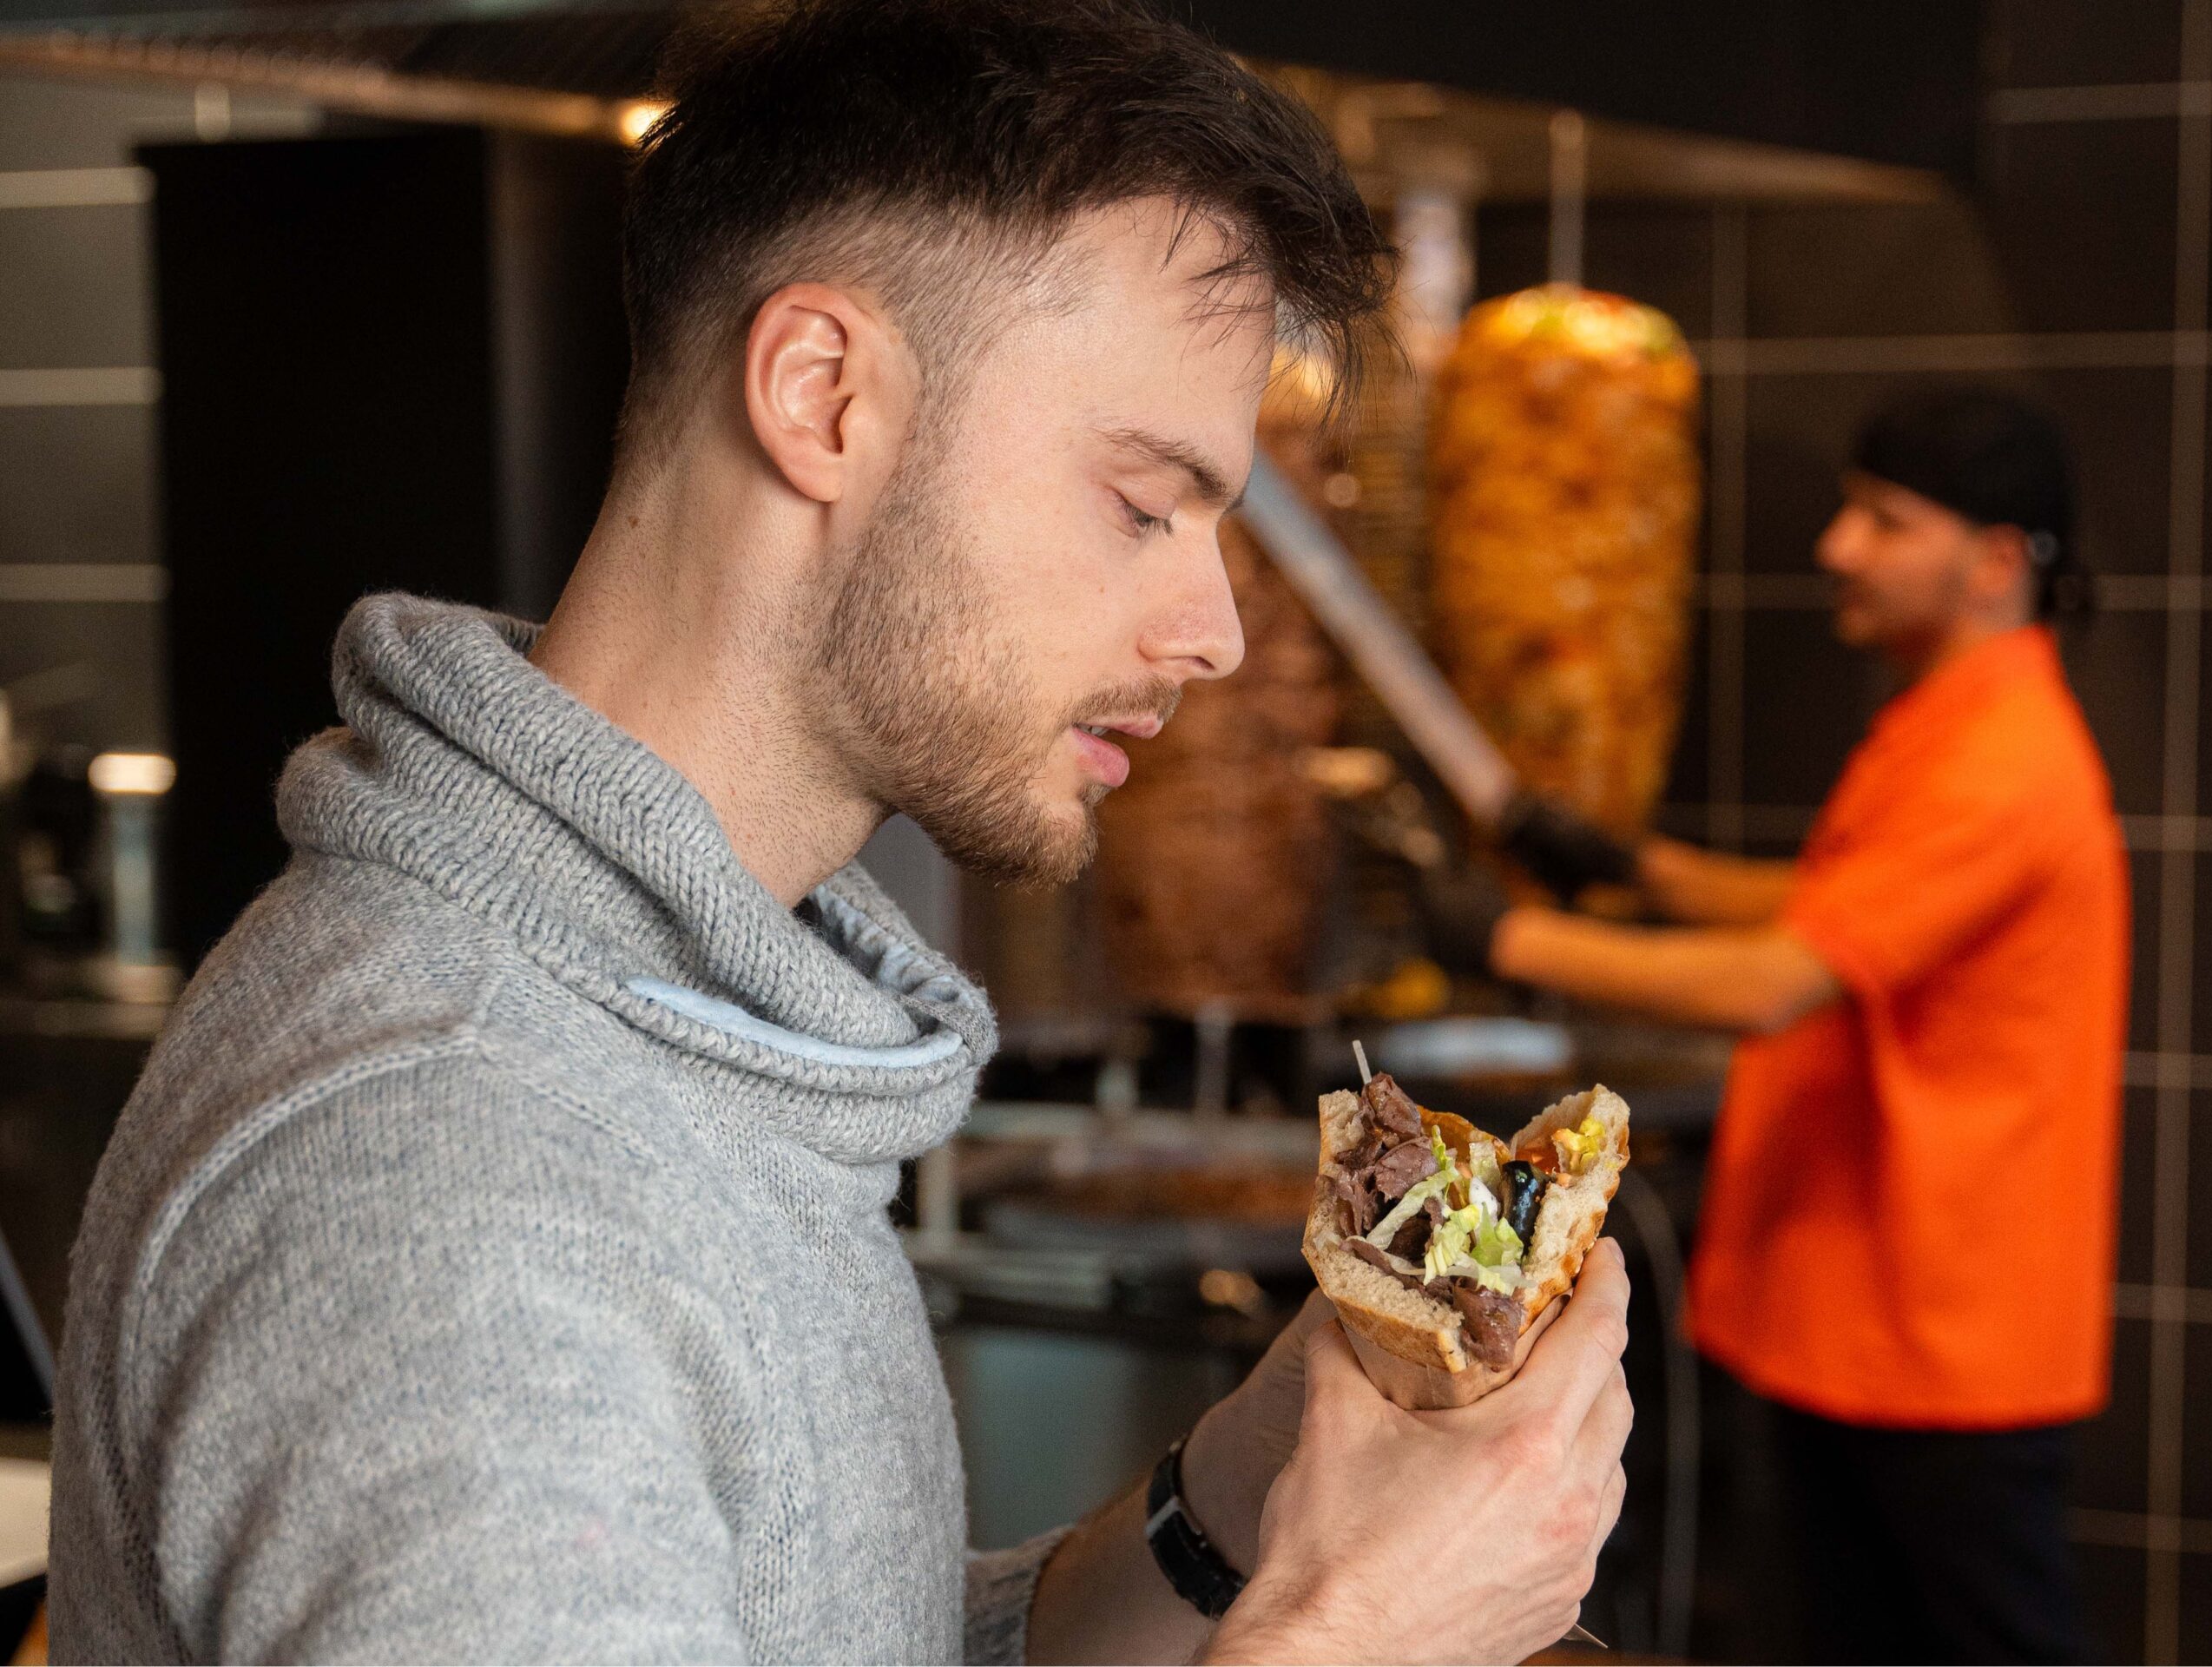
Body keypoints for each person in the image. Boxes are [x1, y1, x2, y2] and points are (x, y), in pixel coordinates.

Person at [44, 3, 1633, 1662]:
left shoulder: (675, 1035)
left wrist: (1228, 1520)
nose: (1215, 629)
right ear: (821, 396)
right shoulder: (450, 1185)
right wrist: (1358, 1630)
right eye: (1145, 503)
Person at [1474, 386, 2126, 1664]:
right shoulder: (1952, 722)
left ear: (1996, 560)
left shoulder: (2004, 759)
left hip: (1944, 1331)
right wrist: (1633, 870)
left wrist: (1504, 941)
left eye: (1884, 521)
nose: (1837, 548)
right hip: (1875, 1315)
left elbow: (1776, 979)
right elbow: (1845, 900)